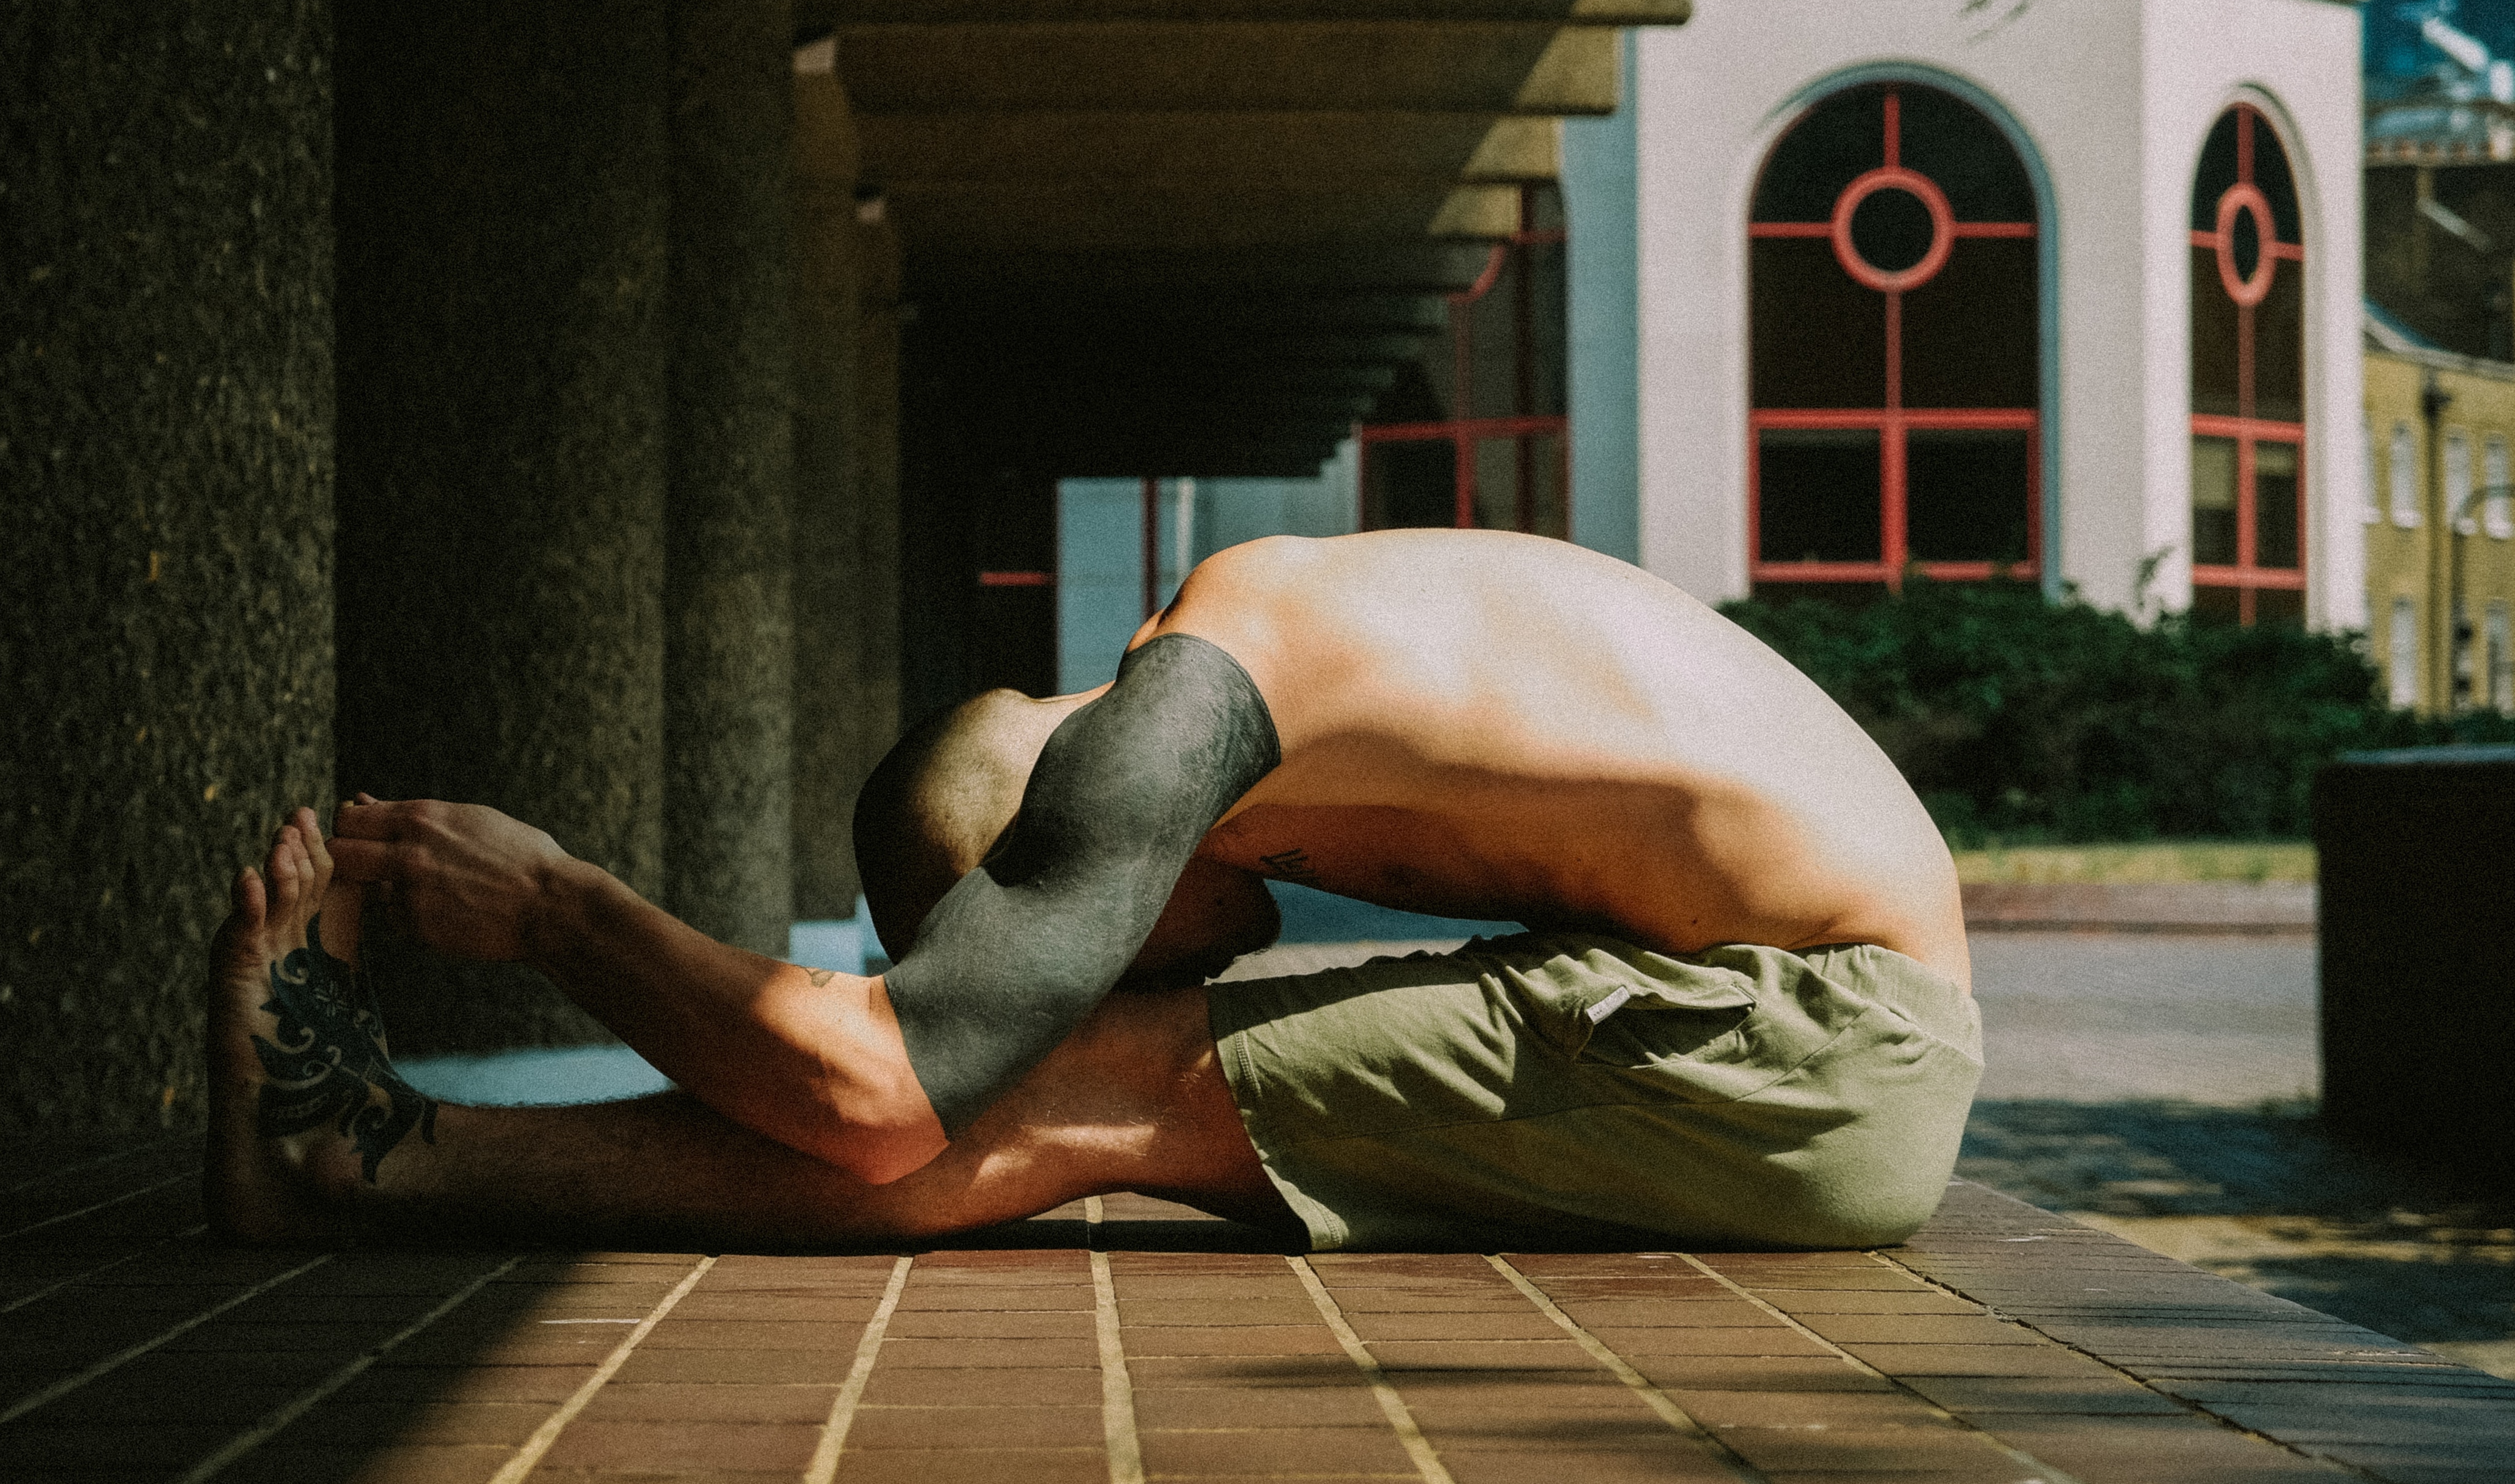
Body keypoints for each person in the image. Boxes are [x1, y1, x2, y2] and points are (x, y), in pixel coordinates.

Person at [206, 529, 1979, 1251]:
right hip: (1788, 1023)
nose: (1103, 964)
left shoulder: (1177, 719)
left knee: (1076, 1097)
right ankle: (374, 1151)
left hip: (1821, 1040)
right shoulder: (1261, 652)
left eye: (1054, 945)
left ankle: (363, 1159)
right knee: (1084, 1080)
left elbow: (884, 1087)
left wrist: (560, 908)